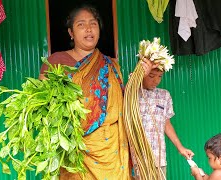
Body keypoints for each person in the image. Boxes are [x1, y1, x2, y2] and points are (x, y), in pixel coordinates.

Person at [39, 4, 154, 180]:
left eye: (93, 23)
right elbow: (45, 103)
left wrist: (137, 79)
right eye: (81, 24)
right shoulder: (57, 61)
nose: (88, 29)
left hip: (112, 148)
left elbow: (123, 103)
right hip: (75, 147)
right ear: (71, 32)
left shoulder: (111, 64)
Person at [132, 67, 194, 179]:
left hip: (158, 156)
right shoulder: (131, 93)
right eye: (151, 76)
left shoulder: (164, 95)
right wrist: (134, 80)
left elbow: (166, 123)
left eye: (160, 76)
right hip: (137, 156)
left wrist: (180, 147)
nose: (156, 80)